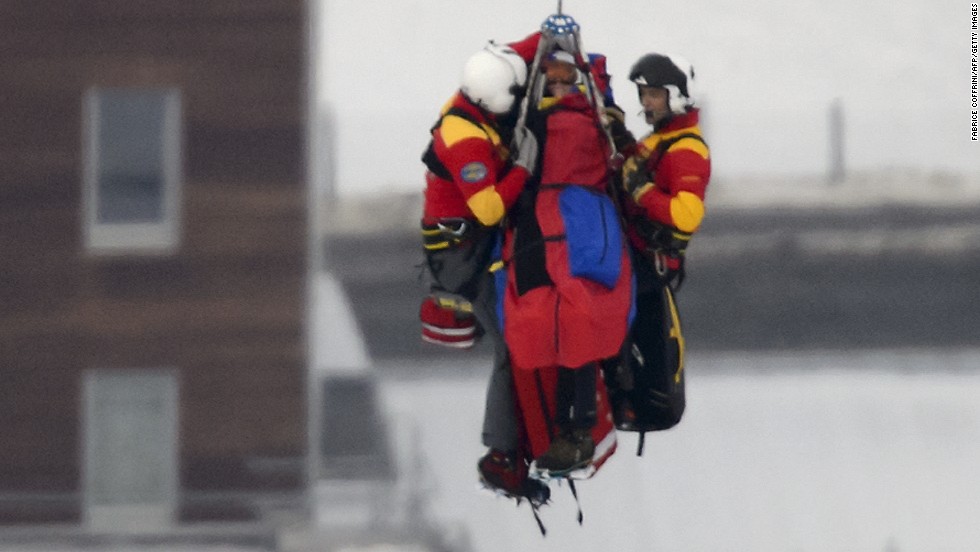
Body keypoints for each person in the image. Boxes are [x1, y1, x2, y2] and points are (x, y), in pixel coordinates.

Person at [417, 41, 550, 503]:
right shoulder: (466, 139)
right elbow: (490, 207)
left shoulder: (471, 99)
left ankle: (516, 444)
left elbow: (505, 59)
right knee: (510, 347)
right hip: (462, 258)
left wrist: (545, 37)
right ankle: (502, 455)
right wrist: (522, 169)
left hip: (473, 247)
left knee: (515, 342)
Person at [503, 47, 634, 477]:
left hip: (578, 233)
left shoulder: (593, 119)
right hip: (549, 234)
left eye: (566, 80)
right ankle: (566, 428)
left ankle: (579, 427)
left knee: (579, 328)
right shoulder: (531, 122)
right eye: (551, 81)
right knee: (550, 330)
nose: (558, 88)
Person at [608, 52, 711, 437]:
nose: (645, 103)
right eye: (642, 94)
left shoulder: (687, 150)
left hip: (648, 266)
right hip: (634, 255)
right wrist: (619, 138)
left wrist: (642, 190)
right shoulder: (660, 140)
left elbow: (687, 215)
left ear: (678, 96)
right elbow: (635, 164)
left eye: (653, 94)